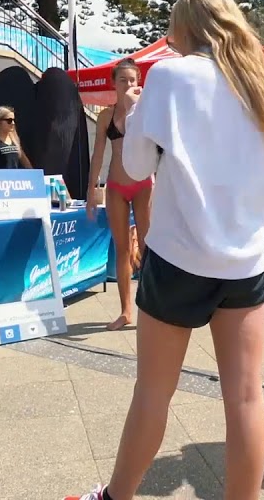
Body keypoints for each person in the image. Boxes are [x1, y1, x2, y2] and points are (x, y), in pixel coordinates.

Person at [65, 0, 264, 500]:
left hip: (179, 256)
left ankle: (115, 497)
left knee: (154, 392)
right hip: (246, 263)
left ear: (184, 28)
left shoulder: (168, 75)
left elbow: (137, 165)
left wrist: (143, 115)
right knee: (247, 398)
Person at [87, 59, 153, 331]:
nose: (129, 84)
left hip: (143, 185)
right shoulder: (105, 116)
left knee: (148, 248)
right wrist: (92, 189)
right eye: (123, 80)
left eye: (133, 80)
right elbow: (98, 153)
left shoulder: (146, 112)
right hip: (116, 186)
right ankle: (126, 310)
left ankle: (151, 307)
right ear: (114, 83)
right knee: (122, 248)